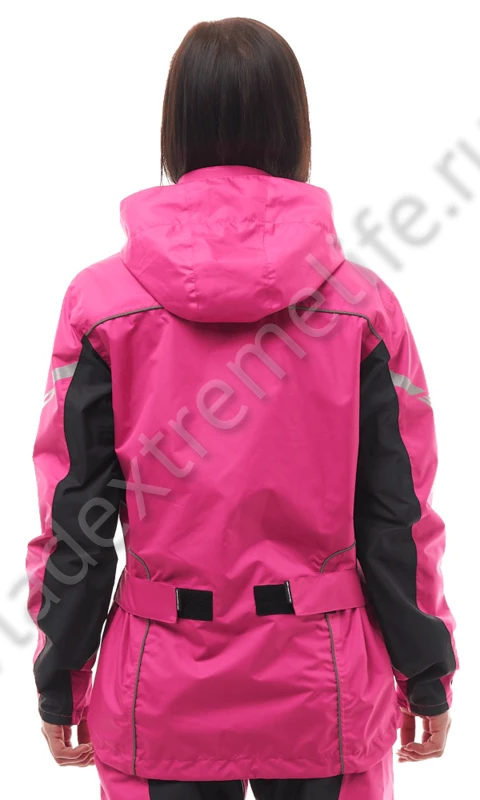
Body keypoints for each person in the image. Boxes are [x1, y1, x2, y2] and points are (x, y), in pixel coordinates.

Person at [25, 16, 458, 800]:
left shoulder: (100, 304)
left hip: (160, 689)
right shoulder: (363, 309)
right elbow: (397, 514)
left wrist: (61, 672)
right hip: (321, 684)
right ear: (293, 127)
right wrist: (425, 668)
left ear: (177, 127)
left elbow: (76, 517)